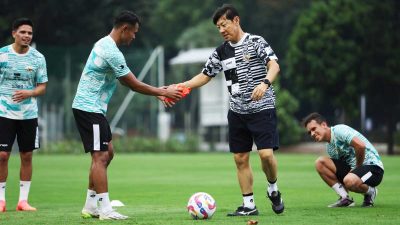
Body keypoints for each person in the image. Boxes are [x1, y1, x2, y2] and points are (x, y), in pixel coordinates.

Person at [163, 4, 284, 216]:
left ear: (236, 20)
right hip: (237, 111)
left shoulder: (256, 42)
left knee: (265, 155)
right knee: (240, 159)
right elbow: (204, 75)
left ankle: (273, 188)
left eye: (224, 24)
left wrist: (264, 84)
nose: (221, 30)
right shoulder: (220, 51)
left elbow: (274, 65)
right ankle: (249, 205)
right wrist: (180, 87)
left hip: (262, 108)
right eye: (218, 27)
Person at [72, 11, 182, 220]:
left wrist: (158, 93)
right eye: (134, 32)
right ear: (125, 29)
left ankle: (90, 205)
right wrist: (162, 91)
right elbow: (132, 83)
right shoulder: (110, 51)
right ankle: (105, 210)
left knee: (108, 153)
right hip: (88, 108)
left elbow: (125, 82)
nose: (134, 37)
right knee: (100, 157)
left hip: (94, 109)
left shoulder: (106, 45)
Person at [0, 18, 48, 212]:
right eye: (23, 32)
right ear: (14, 33)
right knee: (2, 155)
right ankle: (1, 200)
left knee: (26, 155)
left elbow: (42, 86)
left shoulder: (38, 58)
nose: (27, 36)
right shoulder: (2, 55)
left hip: (28, 114)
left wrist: (30, 93)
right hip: (3, 112)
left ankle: (23, 201)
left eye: (29, 33)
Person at [302, 112, 384, 207]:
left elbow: (361, 146)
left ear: (324, 125)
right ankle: (345, 198)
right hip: (355, 171)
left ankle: (371, 192)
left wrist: (357, 168)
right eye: (309, 132)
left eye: (313, 129)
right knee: (320, 162)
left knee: (350, 180)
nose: (312, 134)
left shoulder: (339, 130)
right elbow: (339, 173)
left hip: (374, 169)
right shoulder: (329, 147)